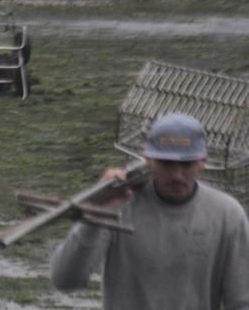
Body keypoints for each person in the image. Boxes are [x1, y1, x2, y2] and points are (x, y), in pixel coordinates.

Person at [49, 112, 249, 309]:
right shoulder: (119, 205)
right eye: (167, 163)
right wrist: (94, 214)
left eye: (186, 164)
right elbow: (65, 280)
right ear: (149, 159)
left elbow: (242, 301)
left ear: (202, 162)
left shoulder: (227, 214)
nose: (177, 175)